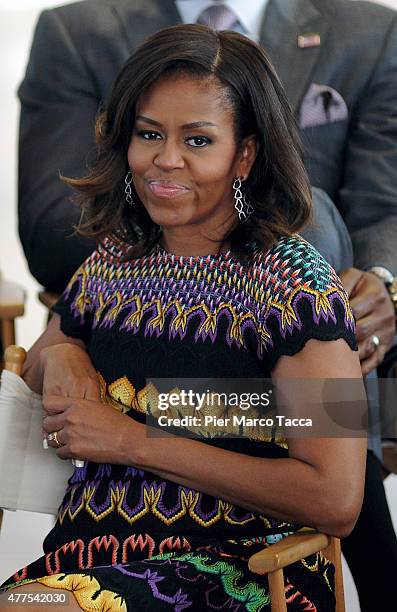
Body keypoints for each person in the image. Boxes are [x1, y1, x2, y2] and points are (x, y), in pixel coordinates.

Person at [18, 2, 397, 609]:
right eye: (149, 135)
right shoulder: (118, 256)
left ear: (244, 154)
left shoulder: (294, 282)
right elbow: (42, 352)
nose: (166, 160)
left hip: (232, 573)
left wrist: (131, 439)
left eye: (198, 140)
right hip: (83, 568)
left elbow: (335, 498)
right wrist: (62, 356)